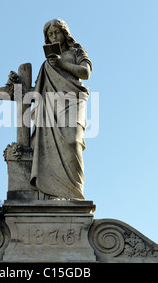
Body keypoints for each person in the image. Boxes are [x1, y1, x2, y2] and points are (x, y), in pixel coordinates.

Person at [30, 19, 92, 200]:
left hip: (74, 99)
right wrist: (15, 88)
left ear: (65, 33)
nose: (54, 37)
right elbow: (35, 92)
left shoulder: (76, 51)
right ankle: (52, 193)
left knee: (73, 142)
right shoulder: (47, 64)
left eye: (56, 32)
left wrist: (62, 64)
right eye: (50, 35)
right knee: (49, 148)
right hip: (51, 107)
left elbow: (85, 73)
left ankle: (74, 193)